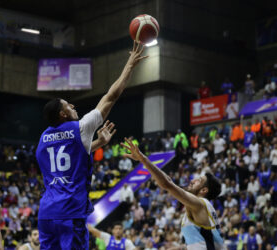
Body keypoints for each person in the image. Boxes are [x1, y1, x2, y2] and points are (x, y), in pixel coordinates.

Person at [35, 42, 147, 249]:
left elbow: (69, 157)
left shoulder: (43, 139)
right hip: (70, 211)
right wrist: (129, 65)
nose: (73, 106)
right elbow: (111, 97)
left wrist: (98, 143)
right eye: (69, 105)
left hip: (46, 214)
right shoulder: (80, 127)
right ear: (63, 114)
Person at [121, 138, 226, 250]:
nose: (193, 180)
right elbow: (169, 181)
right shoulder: (203, 206)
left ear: (204, 190)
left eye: (198, 180)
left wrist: (143, 159)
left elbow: (167, 184)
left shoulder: (199, 204)